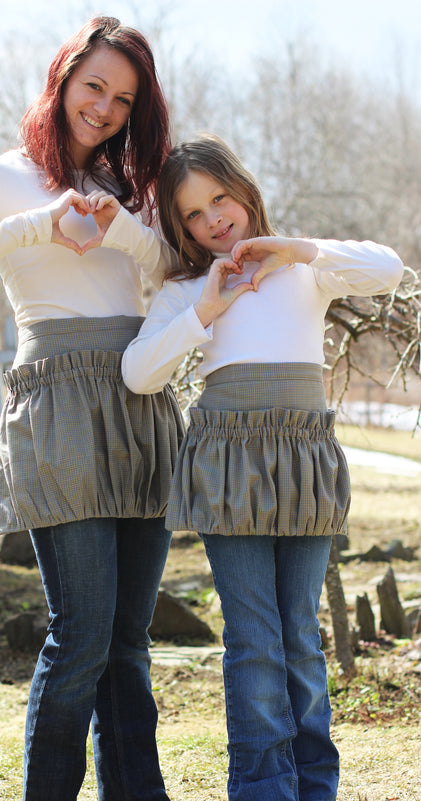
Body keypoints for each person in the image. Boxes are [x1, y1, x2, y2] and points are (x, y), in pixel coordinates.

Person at [0, 17, 185, 801]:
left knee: (129, 640)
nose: (104, 107)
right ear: (62, 79)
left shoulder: (137, 187)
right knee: (82, 634)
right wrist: (39, 222)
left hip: (137, 397)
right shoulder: (2, 175)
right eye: (94, 85)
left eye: (123, 99)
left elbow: (173, 269)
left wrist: (123, 231)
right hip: (57, 403)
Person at [121, 134, 404, 801]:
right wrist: (204, 310)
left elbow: (387, 268)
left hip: (301, 458)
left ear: (244, 191)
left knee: (300, 635)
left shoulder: (305, 269)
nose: (213, 219)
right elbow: (138, 373)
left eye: (220, 199)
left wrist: (299, 249)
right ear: (179, 226)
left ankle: (313, 784)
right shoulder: (187, 287)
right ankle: (260, 785)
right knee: (253, 638)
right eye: (193, 213)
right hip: (228, 464)